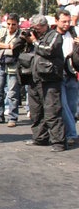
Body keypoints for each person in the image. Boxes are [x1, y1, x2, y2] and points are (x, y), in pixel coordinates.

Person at [21, 15, 66, 152]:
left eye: (36, 28)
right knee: (36, 111)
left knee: (52, 111)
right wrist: (25, 39)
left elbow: (49, 50)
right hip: (34, 78)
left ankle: (58, 142)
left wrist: (34, 41)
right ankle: (40, 138)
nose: (35, 30)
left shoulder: (54, 36)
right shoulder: (35, 36)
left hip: (50, 79)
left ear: (44, 25)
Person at [0, 13, 25, 127]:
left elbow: (17, 46)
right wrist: (8, 46)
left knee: (12, 93)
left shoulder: (21, 34)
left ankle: (12, 117)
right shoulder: (2, 31)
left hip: (13, 65)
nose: (10, 27)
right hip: (0, 64)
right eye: (9, 24)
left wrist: (4, 45)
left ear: (17, 24)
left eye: (13, 24)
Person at [55, 9, 78, 146]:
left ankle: (68, 131)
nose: (66, 24)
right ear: (56, 21)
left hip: (73, 74)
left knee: (72, 107)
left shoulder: (74, 33)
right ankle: (71, 134)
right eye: (63, 21)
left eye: (68, 21)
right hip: (59, 74)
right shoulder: (52, 35)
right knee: (63, 106)